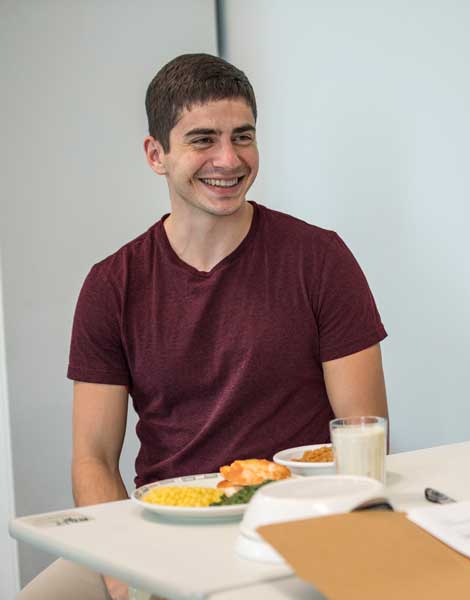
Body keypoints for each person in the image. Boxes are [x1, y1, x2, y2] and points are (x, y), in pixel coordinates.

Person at [19, 54, 388, 600]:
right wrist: (123, 574)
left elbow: (363, 433)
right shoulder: (111, 284)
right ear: (156, 154)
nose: (228, 158)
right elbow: (92, 458)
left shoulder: (320, 259)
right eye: (202, 140)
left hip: (292, 526)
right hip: (160, 528)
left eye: (243, 136)